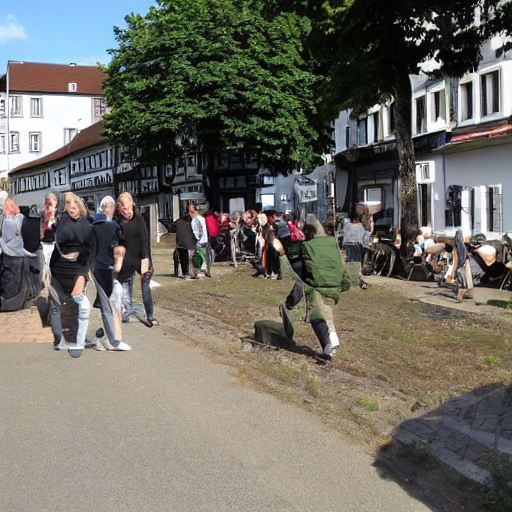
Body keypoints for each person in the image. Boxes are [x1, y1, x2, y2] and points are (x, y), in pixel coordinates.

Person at [282, 214, 350, 358]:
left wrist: (291, 302)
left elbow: (302, 276)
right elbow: (341, 266)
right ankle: (333, 342)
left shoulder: (308, 247)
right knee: (327, 313)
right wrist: (344, 284)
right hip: (335, 284)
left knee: (316, 315)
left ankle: (328, 347)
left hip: (319, 285)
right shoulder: (333, 244)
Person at [49, 192, 95, 357]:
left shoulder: (86, 225)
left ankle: (77, 341)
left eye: (74, 203)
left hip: (77, 269)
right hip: (59, 269)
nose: (71, 207)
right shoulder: (62, 222)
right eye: (68, 204)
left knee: (79, 304)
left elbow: (89, 250)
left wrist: (83, 273)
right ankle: (62, 340)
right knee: (58, 306)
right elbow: (55, 242)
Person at [91, 196, 130, 350]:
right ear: (109, 208)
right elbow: (119, 245)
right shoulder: (114, 227)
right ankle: (111, 339)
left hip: (96, 267)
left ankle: (102, 337)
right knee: (112, 302)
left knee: (107, 303)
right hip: (107, 267)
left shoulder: (93, 226)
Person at [116, 192, 158, 326]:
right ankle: (125, 313)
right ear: (119, 209)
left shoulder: (139, 219)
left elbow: (145, 241)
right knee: (125, 290)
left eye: (129, 208)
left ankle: (150, 315)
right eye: (124, 209)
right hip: (126, 261)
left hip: (140, 259)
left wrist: (147, 261)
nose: (127, 212)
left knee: (145, 287)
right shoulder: (117, 222)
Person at [0, 198, 42, 311]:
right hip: (20, 256)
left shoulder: (9, 221)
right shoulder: (20, 219)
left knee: (11, 282)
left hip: (12, 256)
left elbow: (8, 240)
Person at [342, 216, 369, 289]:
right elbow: (364, 237)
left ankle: (350, 278)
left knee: (349, 262)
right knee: (357, 262)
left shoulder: (346, 225)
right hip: (356, 245)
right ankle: (357, 279)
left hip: (347, 245)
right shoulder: (360, 226)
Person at [452, 229, 474, 300]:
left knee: (460, 284)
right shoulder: (464, 248)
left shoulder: (456, 249)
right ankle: (465, 294)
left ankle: (460, 295)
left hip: (460, 268)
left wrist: (453, 271)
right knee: (468, 284)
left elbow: (456, 261)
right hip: (466, 267)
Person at [189, 204, 210, 277]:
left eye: (191, 211)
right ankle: (204, 270)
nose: (190, 214)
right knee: (204, 256)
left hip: (199, 241)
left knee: (199, 256)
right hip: (204, 240)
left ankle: (200, 271)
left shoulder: (195, 220)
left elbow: (197, 231)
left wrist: (196, 238)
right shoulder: (202, 219)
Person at [174, 213, 197, 279]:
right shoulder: (189, 223)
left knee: (183, 259)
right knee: (190, 260)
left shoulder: (178, 223)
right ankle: (192, 273)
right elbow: (192, 234)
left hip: (180, 244)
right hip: (189, 244)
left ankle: (185, 273)